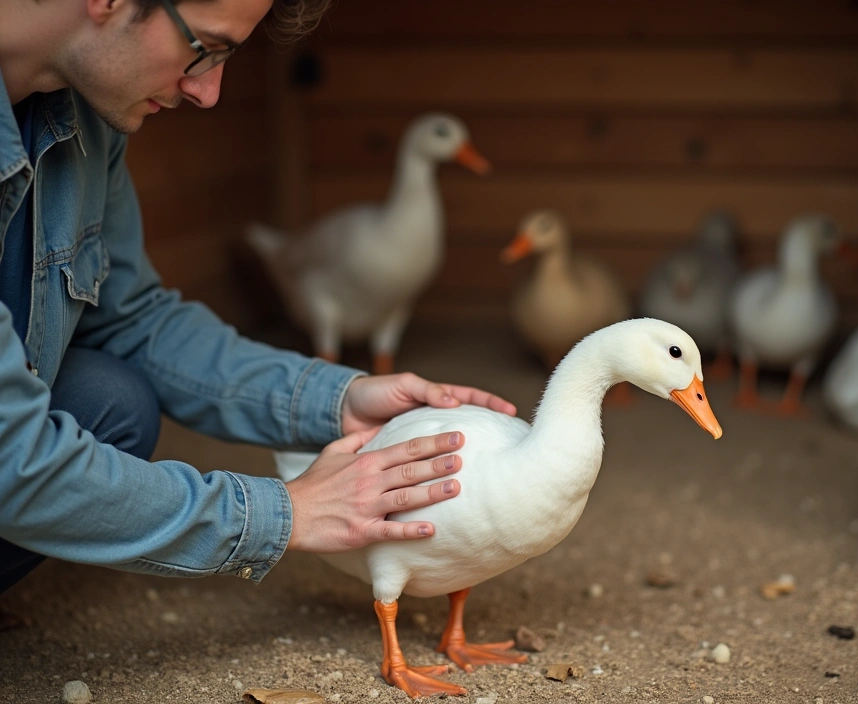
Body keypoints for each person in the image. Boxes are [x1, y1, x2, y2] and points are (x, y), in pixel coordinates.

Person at [0, 0, 517, 613]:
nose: (209, 92)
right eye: (206, 48)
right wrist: (283, 513)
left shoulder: (85, 117)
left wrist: (336, 400)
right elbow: (12, 454)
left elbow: (131, 318)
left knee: (112, 400)